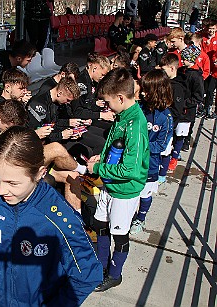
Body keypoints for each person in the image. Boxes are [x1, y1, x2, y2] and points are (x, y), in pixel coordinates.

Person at [0, 126, 103, 306]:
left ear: (40, 173)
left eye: (13, 182)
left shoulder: (59, 218)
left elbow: (88, 275)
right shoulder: (0, 199)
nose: (1, 190)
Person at [85, 68, 149, 291]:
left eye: (108, 102)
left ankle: (114, 274)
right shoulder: (121, 117)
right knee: (100, 225)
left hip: (124, 191)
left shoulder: (136, 125)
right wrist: (100, 158)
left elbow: (130, 169)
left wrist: (99, 167)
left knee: (119, 235)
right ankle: (101, 265)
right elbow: (113, 148)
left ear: (121, 98)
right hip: (109, 186)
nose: (107, 107)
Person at [130, 69, 173, 234]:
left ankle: (140, 218)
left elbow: (161, 145)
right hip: (131, 160)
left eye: (146, 89)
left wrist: (140, 146)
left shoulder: (166, 118)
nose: (142, 92)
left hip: (150, 164)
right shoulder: (138, 107)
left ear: (157, 92)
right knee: (132, 191)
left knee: (145, 194)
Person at [159, 53, 188, 183]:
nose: (162, 72)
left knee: (165, 149)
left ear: (172, 68)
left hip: (167, 124)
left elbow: (176, 110)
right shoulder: (164, 82)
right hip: (159, 122)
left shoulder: (177, 87)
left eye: (164, 69)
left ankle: (162, 174)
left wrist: (168, 123)